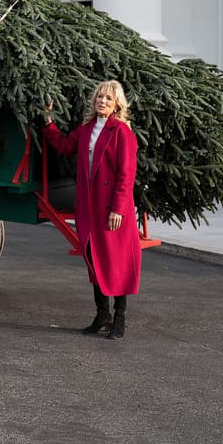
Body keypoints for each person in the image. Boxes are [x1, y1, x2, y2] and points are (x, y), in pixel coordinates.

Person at [43, 80, 140, 340]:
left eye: (108, 98)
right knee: (93, 258)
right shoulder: (86, 130)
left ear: (117, 104)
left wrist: (118, 209)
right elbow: (63, 146)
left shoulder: (122, 132)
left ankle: (119, 318)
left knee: (116, 261)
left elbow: (126, 175)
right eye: (99, 97)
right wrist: (47, 120)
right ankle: (102, 314)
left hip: (112, 209)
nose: (102, 101)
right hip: (89, 207)